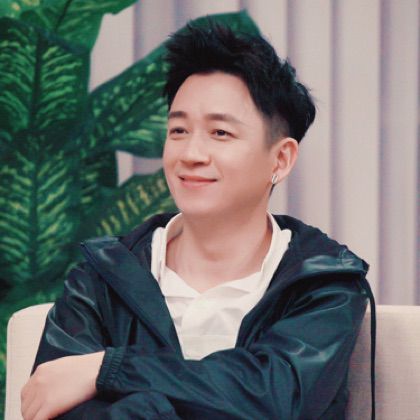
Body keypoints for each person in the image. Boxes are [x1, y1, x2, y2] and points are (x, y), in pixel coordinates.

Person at [21, 21, 375, 420]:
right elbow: (52, 402)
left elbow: (275, 397)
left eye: (220, 133)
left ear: (280, 159)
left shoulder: (323, 282)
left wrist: (111, 370)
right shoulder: (102, 277)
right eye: (178, 130)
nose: (191, 154)